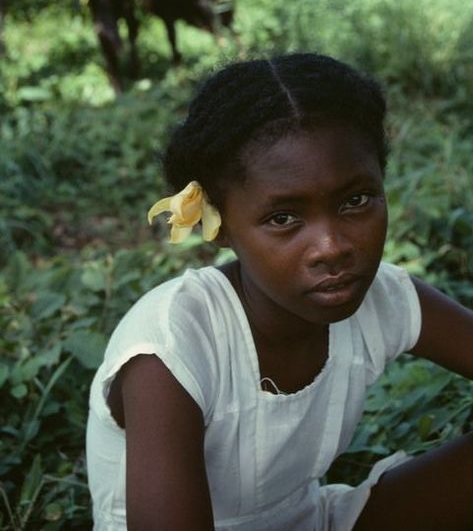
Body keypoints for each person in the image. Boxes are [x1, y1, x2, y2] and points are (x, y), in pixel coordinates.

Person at [86, 53, 473, 531]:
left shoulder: (384, 298)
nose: (331, 248)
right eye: (283, 218)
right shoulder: (171, 346)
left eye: (355, 201)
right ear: (220, 225)